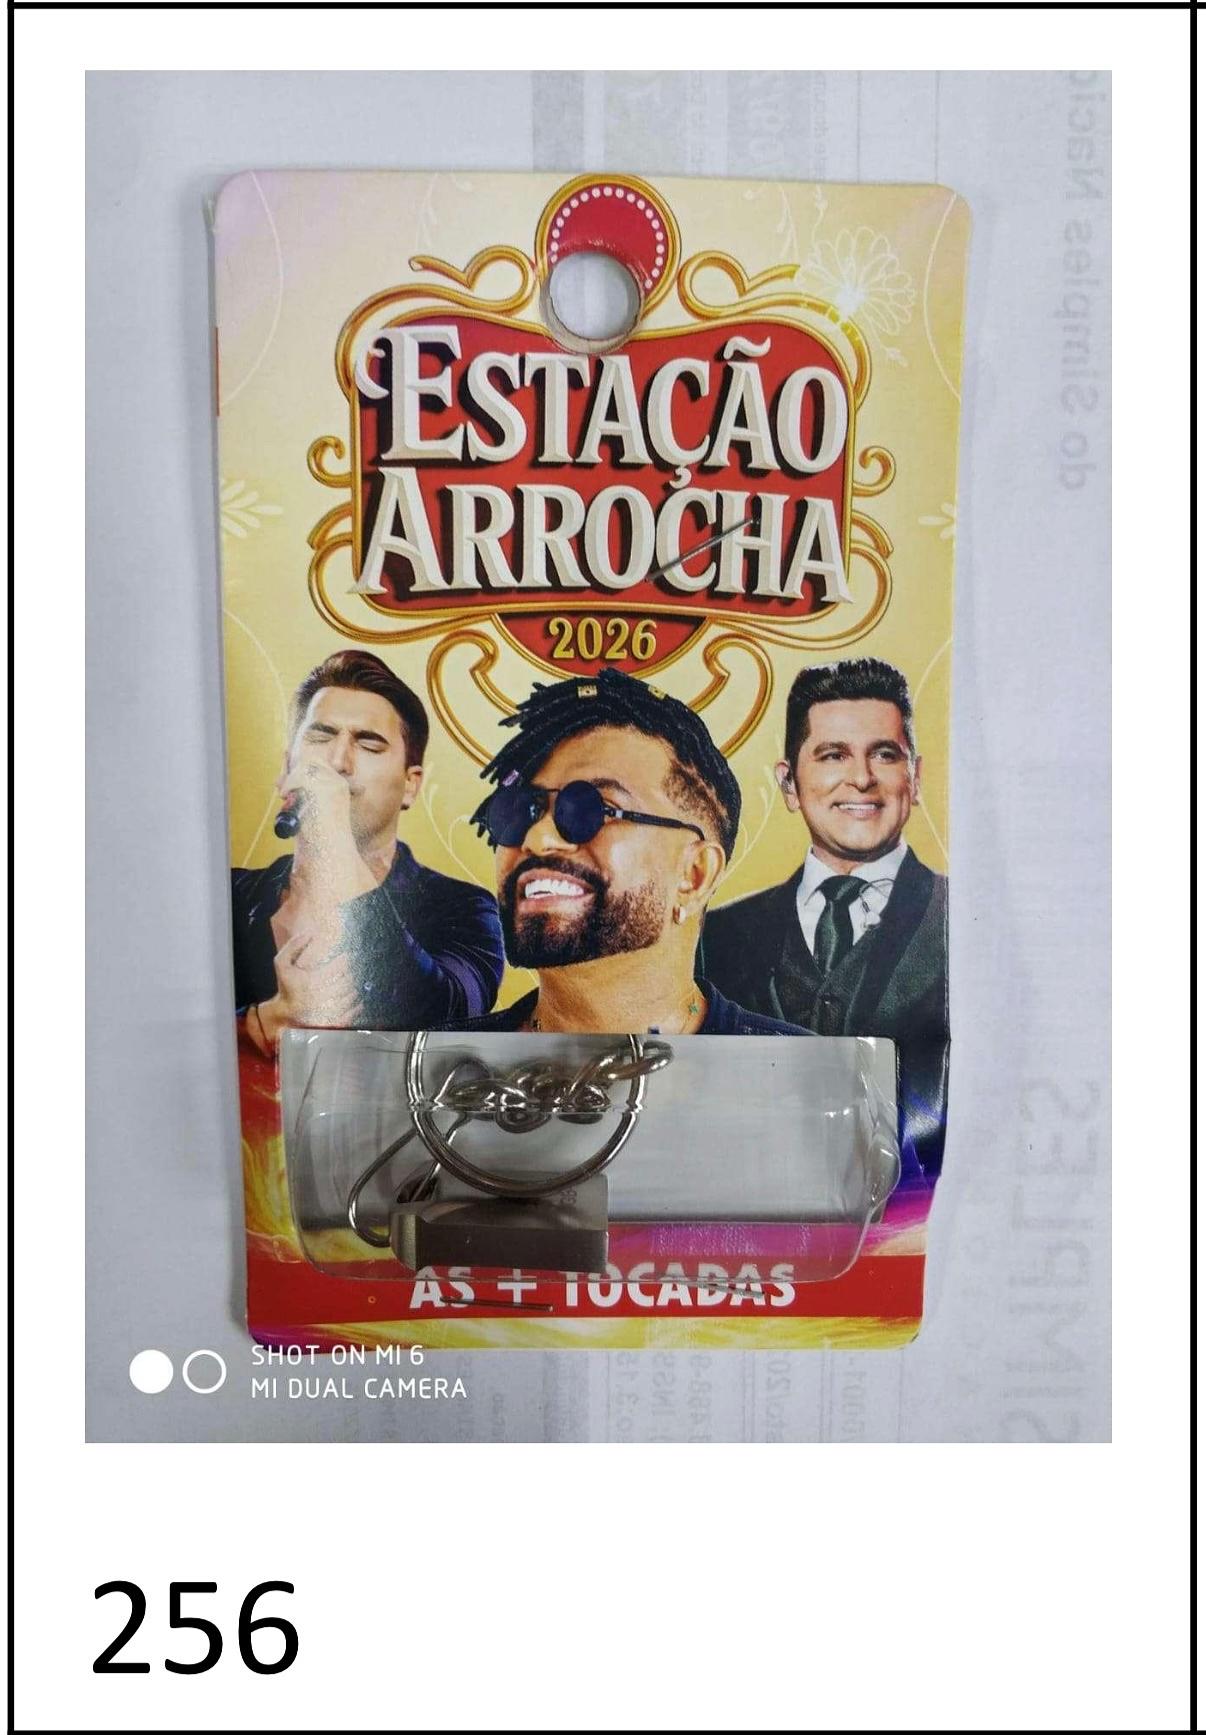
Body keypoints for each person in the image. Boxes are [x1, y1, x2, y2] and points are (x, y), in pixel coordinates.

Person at [446, 669, 808, 1037]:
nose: (537, 839)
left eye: (592, 809)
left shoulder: (796, 1067)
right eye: (519, 810)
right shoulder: (439, 1062)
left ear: (695, 875)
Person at [700, 656, 947, 1172]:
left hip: (914, 1206)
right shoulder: (716, 935)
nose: (861, 779)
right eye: (833, 755)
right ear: (789, 784)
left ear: (915, 778)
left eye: (884, 755)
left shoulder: (962, 923)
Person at [231, 650, 504, 1053]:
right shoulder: (228, 897)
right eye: (320, 736)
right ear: (287, 767)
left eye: (369, 744)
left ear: (411, 784)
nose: (338, 761)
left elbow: (451, 1020)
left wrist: (336, 838)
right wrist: (258, 1023)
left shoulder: (464, 908)